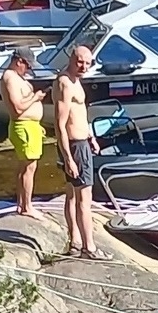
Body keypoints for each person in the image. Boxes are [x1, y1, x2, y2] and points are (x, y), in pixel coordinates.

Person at [51, 44, 101, 258]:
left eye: (88, 63)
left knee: (71, 195)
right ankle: (89, 247)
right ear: (72, 59)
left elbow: (79, 113)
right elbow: (60, 124)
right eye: (80, 61)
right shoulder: (64, 83)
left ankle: (75, 242)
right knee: (84, 198)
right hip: (74, 146)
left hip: (81, 142)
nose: (84, 66)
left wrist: (91, 136)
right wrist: (69, 158)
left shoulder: (75, 81)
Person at [1, 48, 45, 217]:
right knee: (29, 167)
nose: (28, 69)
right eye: (27, 66)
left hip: (30, 126)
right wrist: (36, 97)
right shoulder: (10, 78)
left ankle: (22, 205)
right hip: (23, 126)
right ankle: (27, 207)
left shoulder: (17, 78)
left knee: (26, 166)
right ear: (19, 61)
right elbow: (17, 108)